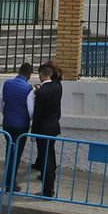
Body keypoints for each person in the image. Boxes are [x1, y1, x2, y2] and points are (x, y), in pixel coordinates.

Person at [0, 63, 36, 192]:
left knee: (9, 151)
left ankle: (7, 178)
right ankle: (10, 182)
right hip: (21, 126)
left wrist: (7, 112)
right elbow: (31, 110)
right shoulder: (28, 88)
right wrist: (25, 118)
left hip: (7, 123)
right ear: (29, 74)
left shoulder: (7, 83)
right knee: (16, 153)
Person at [32, 63, 63, 198]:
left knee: (46, 160)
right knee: (51, 155)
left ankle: (47, 190)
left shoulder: (41, 93)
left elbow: (37, 115)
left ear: (41, 75)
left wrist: (33, 132)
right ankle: (50, 182)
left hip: (43, 129)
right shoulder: (58, 86)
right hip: (53, 126)